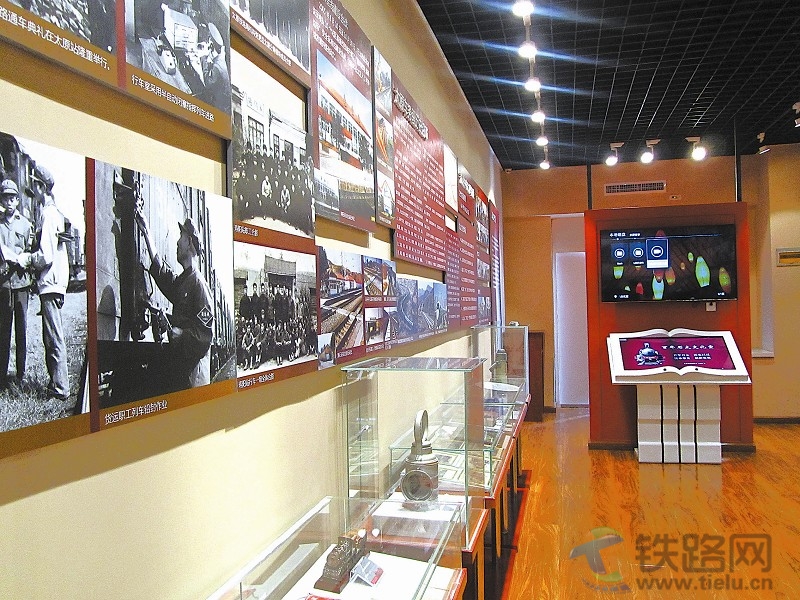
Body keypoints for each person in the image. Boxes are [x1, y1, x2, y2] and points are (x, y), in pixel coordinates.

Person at [136, 210, 213, 391]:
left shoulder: (199, 285)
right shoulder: (185, 280)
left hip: (193, 382)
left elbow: (205, 336)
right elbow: (164, 275)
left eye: (181, 237)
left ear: (190, 243)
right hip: (183, 374)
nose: (177, 242)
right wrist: (146, 231)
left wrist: (179, 333)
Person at [26, 167, 70, 401]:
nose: (32, 188)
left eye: (35, 184)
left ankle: (61, 387)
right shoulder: (54, 213)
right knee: (50, 336)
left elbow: (46, 256)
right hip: (53, 283)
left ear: (42, 187)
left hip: (50, 283)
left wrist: (27, 259)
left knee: (53, 337)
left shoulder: (48, 214)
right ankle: (56, 383)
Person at [0, 180, 33, 387]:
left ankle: (20, 375)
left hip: (21, 284)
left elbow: (31, 251)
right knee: (3, 331)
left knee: (21, 331)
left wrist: (23, 259)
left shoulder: (26, 224)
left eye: (12, 198)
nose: (9, 202)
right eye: (6, 198)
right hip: (3, 284)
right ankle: (2, 377)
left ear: (18, 201)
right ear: (2, 201)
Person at [197, 23, 231, 111]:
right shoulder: (221, 57)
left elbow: (208, 82)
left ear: (211, 46)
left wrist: (203, 57)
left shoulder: (218, 67)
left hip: (220, 108)